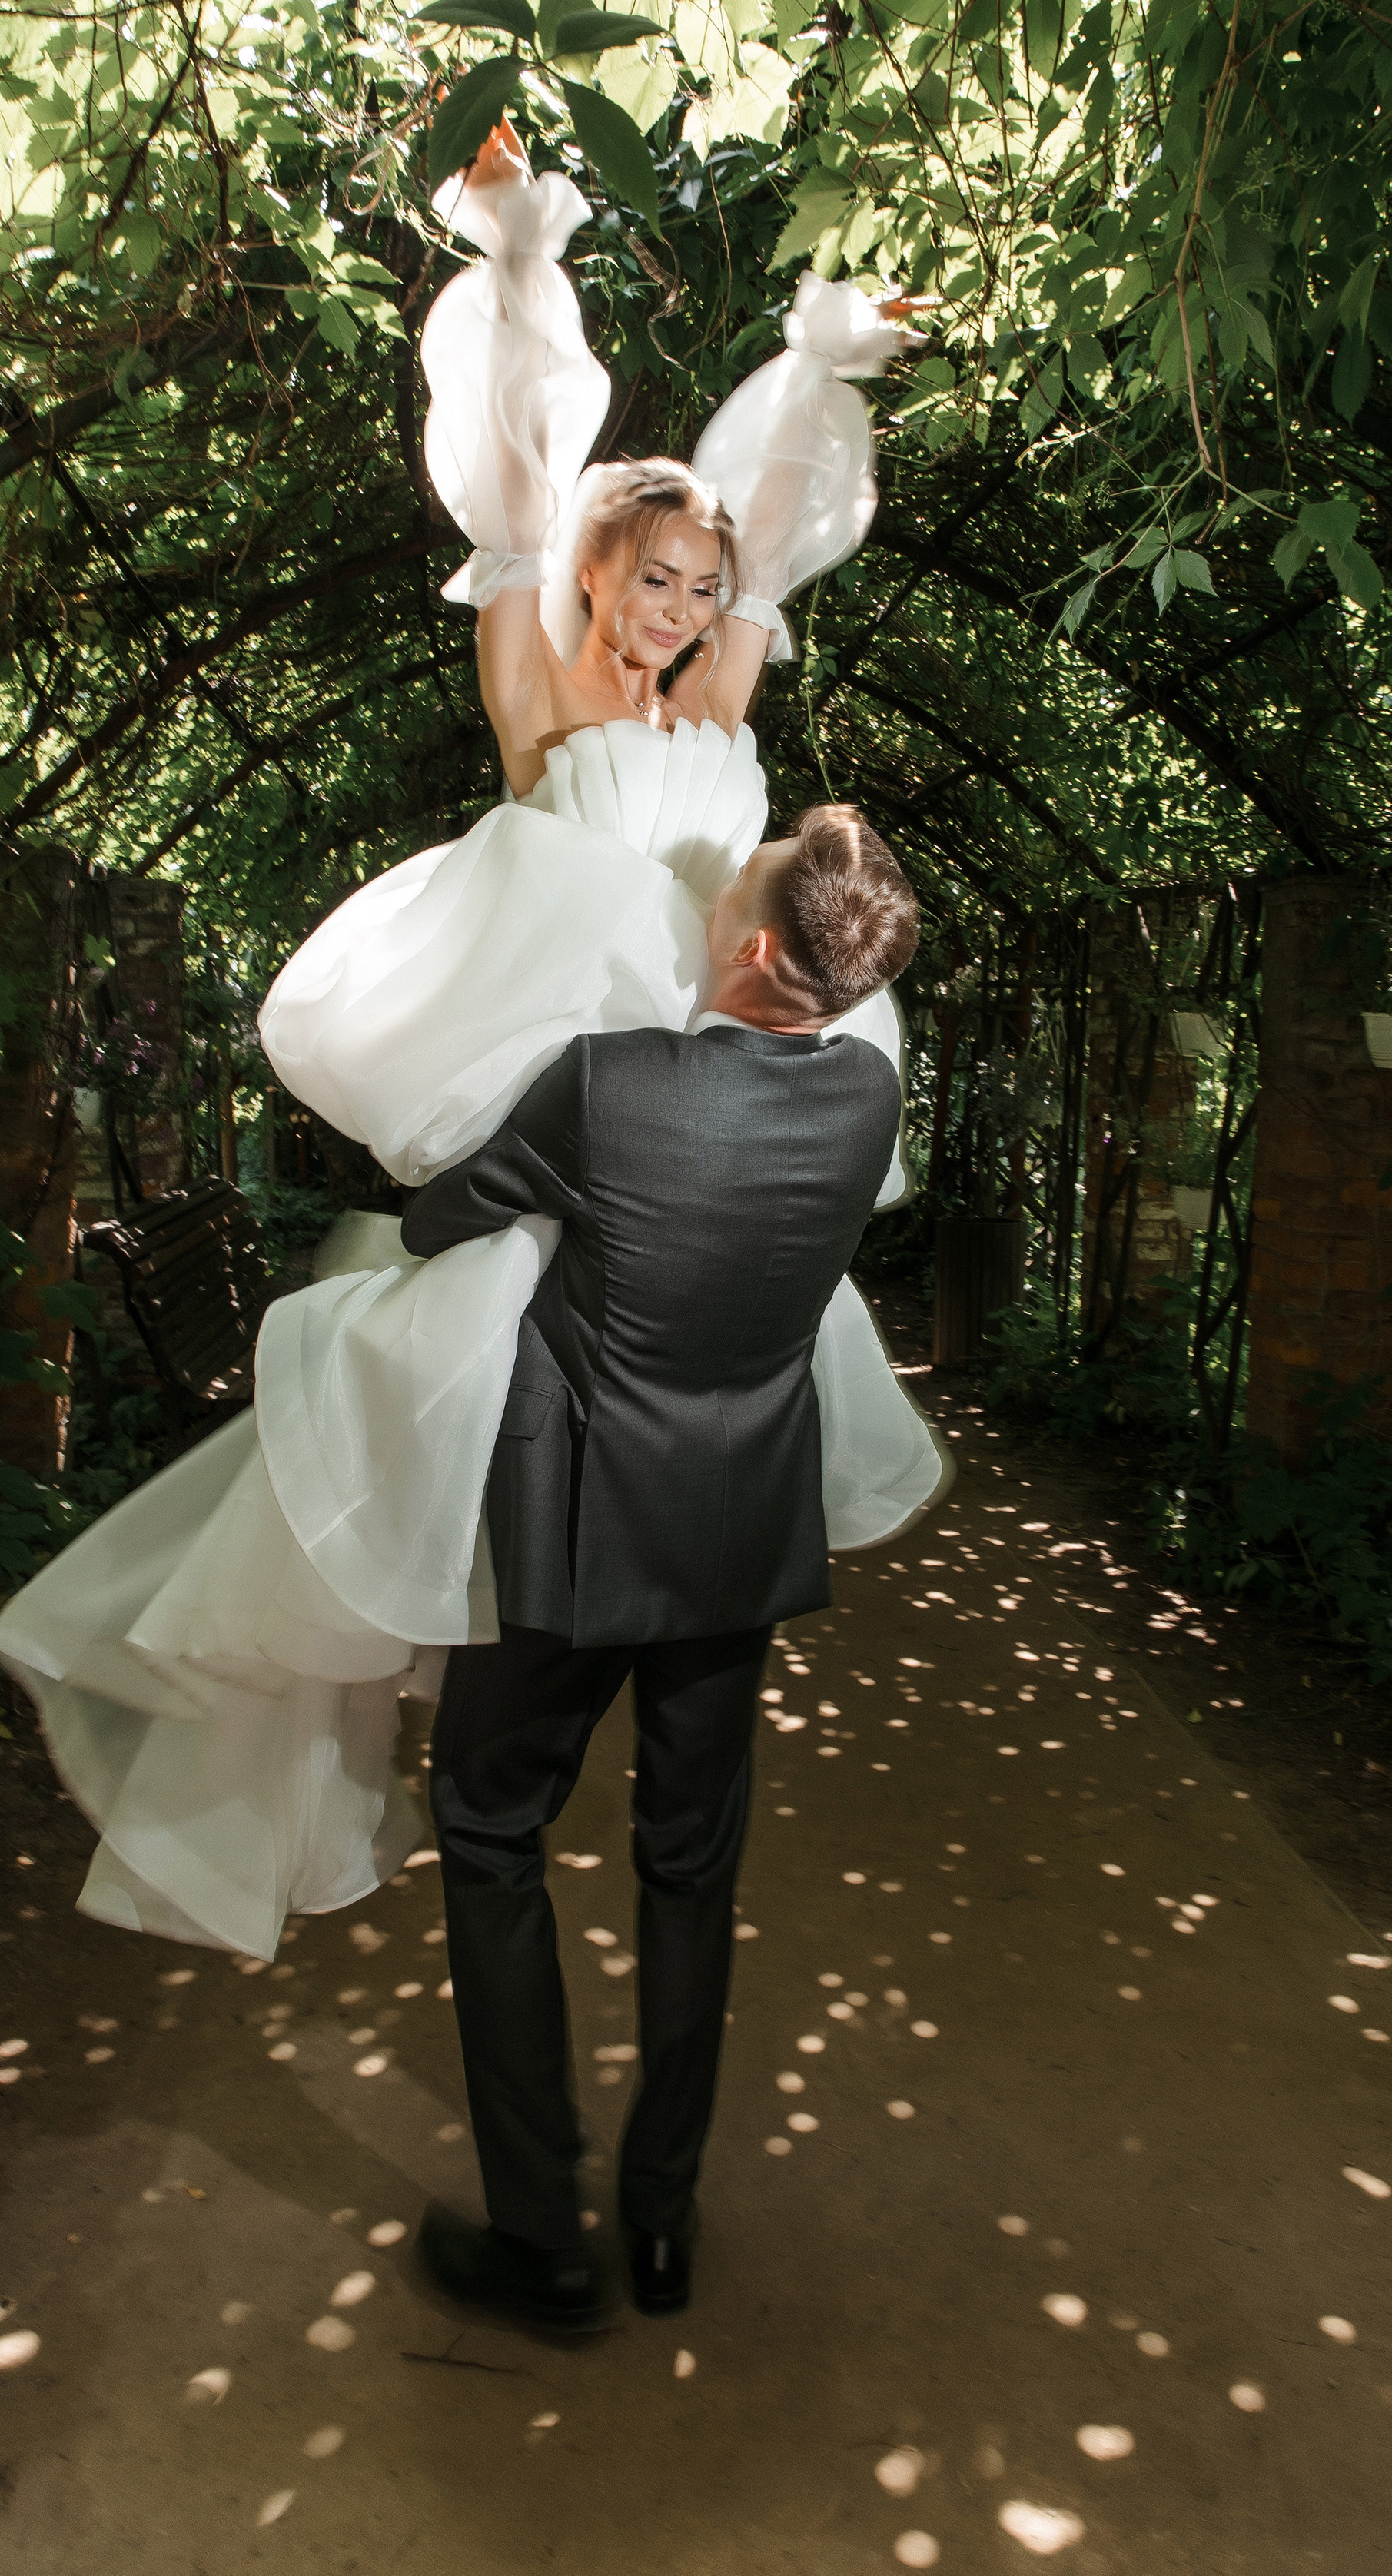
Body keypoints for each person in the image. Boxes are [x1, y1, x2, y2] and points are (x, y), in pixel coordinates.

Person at [0, 121, 950, 1973]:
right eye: (653, 574)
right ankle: (511, 1632)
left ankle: (618, 1623)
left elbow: (773, 518)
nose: (678, 610)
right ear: (596, 569)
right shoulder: (536, 672)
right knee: (494, 1368)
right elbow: (518, 450)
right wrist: (518, 256)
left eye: (700, 582)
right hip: (568, 1064)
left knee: (692, 1370)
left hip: (700, 1077)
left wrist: (821, 367)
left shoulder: (727, 691)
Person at [409, 802, 921, 2335]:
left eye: (730, 896)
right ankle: (655, 2226)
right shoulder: (865, 1107)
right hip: (733, 1545)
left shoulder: (607, 1085)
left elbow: (446, 1215)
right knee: (690, 1869)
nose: (707, 903)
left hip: (573, 1535)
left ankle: (538, 2239)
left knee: (488, 1825)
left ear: (755, 950)